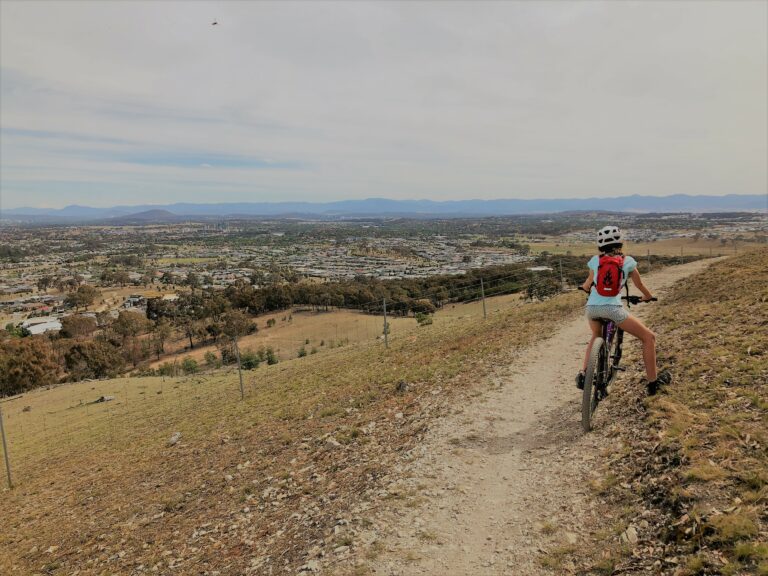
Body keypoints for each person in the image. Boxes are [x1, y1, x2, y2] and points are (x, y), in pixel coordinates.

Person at [576, 225, 671, 396]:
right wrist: (647, 297)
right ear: (620, 243)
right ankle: (653, 383)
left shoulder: (595, 261)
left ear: (600, 245)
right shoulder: (628, 262)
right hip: (613, 309)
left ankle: (584, 374)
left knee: (596, 336)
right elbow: (640, 285)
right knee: (649, 337)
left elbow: (588, 283)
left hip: (592, 308)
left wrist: (584, 288)